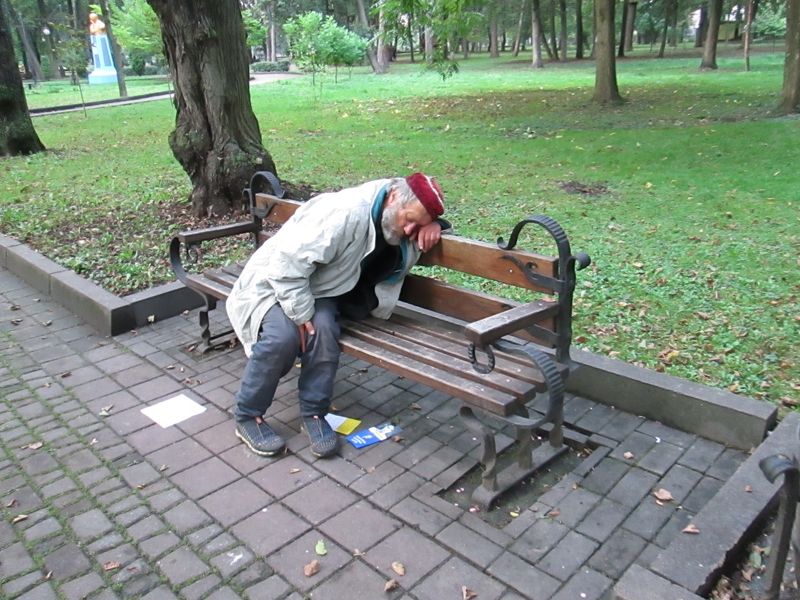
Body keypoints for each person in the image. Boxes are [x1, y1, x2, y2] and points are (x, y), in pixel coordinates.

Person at [226, 173, 448, 458]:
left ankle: (314, 414)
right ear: (393, 197)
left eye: (418, 224)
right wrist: (301, 314)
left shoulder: (396, 208)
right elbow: (285, 267)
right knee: (282, 339)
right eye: (409, 220)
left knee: (324, 333)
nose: (409, 230)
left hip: (320, 288)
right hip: (274, 284)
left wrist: (435, 225)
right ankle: (247, 415)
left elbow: (419, 210)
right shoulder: (345, 213)